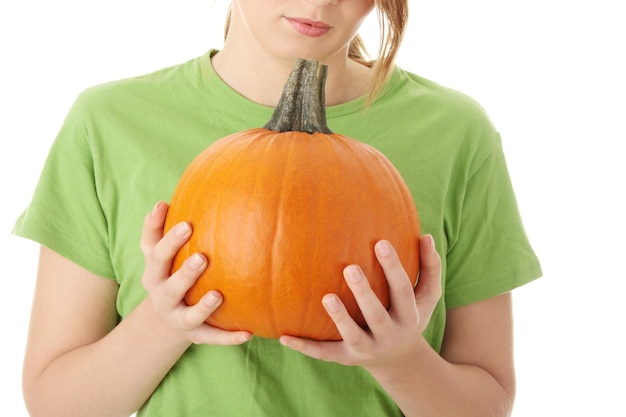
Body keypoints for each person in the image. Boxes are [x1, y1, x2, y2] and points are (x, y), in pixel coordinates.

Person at [13, 0, 542, 416]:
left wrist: (401, 360)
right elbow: (54, 403)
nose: (320, 1)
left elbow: (488, 403)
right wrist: (164, 323)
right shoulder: (109, 122)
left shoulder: (453, 132)